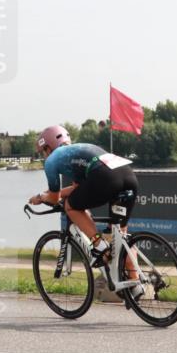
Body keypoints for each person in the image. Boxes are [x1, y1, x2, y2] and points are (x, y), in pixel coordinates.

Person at [27, 125, 143, 295]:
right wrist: (48, 194)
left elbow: (54, 198)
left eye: (43, 151)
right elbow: (78, 188)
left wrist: (41, 197)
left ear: (48, 147)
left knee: (71, 206)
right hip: (127, 176)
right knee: (120, 235)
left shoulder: (52, 161)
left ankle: (98, 244)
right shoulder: (78, 152)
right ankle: (136, 283)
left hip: (106, 177)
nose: (44, 155)